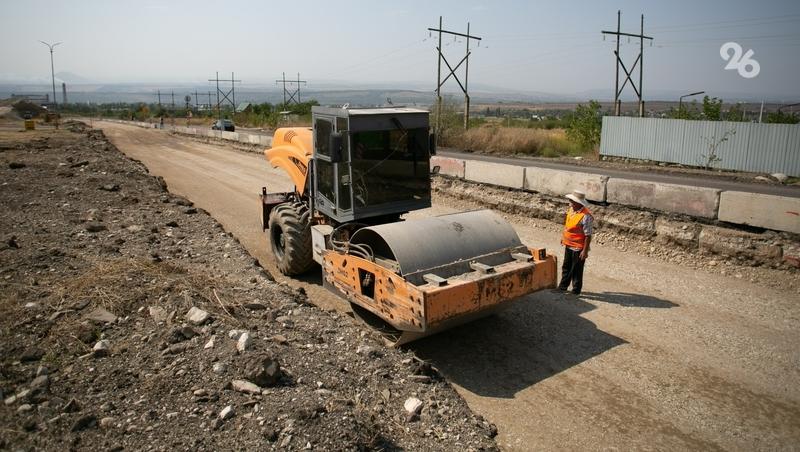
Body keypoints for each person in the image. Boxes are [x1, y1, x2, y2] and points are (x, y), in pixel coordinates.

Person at [557, 189, 593, 295]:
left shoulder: (586, 216)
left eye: (572, 201)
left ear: (578, 203)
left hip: (578, 247)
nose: (570, 203)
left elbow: (588, 235)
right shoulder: (571, 210)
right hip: (568, 244)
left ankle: (576, 290)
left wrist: (585, 251)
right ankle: (563, 287)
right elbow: (568, 226)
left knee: (576, 270)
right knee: (566, 266)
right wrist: (564, 238)